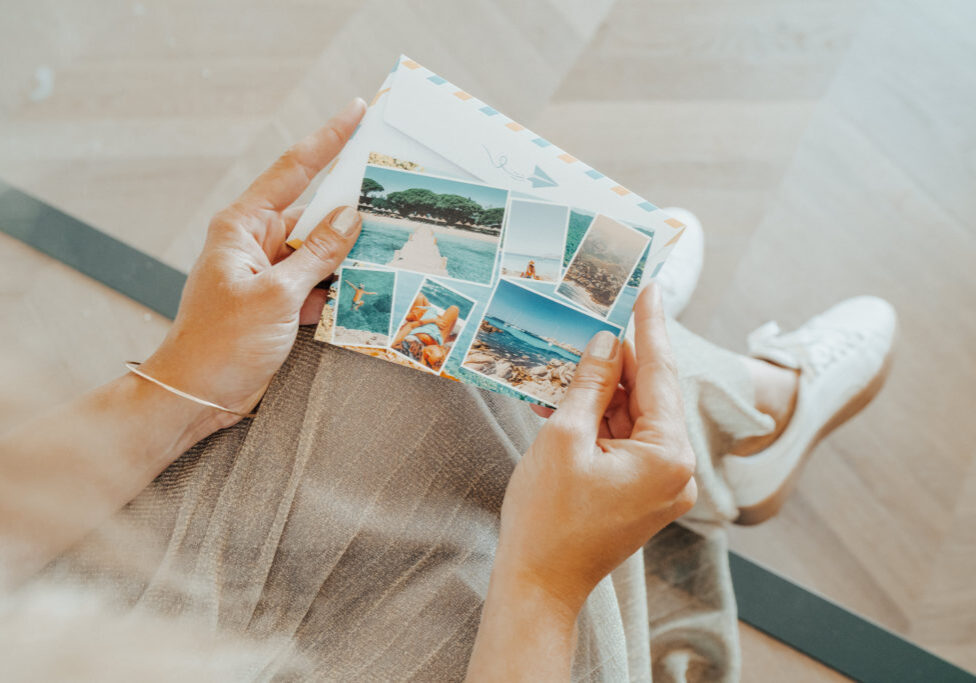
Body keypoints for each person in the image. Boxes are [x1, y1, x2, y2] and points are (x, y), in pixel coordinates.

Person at [0, 99, 895, 681]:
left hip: (85, 615)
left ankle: (654, 329)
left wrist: (181, 380)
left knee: (372, 331)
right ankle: (735, 401)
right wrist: (543, 586)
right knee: (482, 407)